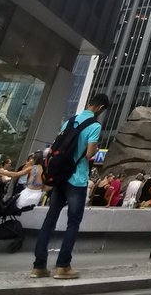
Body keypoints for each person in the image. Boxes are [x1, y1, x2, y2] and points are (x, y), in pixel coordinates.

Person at [30, 91, 110, 279]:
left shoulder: (70, 121)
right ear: (100, 108)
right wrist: (94, 147)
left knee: (50, 219)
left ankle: (38, 265)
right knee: (73, 222)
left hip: (59, 178)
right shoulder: (95, 125)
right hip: (77, 178)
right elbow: (90, 154)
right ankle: (63, 266)